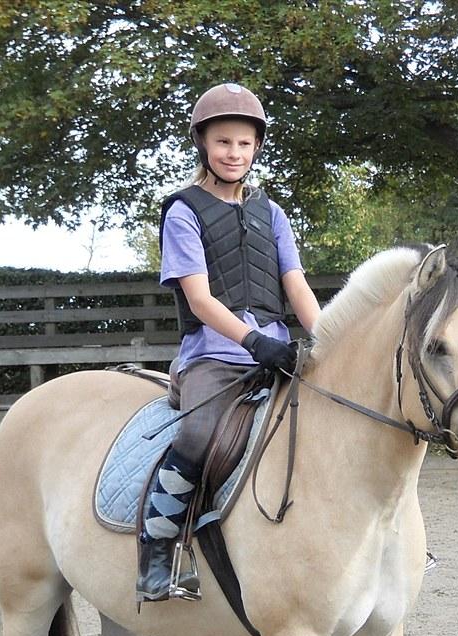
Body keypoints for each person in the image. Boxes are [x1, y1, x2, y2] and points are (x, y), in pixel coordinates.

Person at [137, 82, 321, 602]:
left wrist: (328, 339)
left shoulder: (272, 214)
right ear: (203, 144)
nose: (233, 153)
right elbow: (198, 299)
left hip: (280, 352)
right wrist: (252, 340)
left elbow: (297, 287)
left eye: (243, 144)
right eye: (223, 143)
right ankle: (157, 553)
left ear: (256, 146)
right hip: (214, 357)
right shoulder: (183, 212)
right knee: (196, 435)